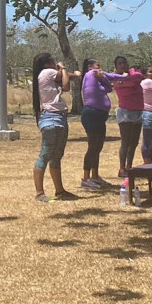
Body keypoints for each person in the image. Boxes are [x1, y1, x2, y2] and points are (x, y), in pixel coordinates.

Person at [31, 52, 80, 202]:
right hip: (52, 118)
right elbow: (66, 86)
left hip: (57, 117)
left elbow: (65, 78)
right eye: (53, 61)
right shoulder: (48, 72)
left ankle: (60, 191)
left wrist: (72, 74)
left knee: (56, 156)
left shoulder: (46, 75)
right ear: (47, 64)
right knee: (45, 155)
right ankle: (39, 193)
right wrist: (63, 67)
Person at [80, 59, 115, 190]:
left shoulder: (98, 80)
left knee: (98, 147)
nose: (100, 68)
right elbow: (112, 78)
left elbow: (109, 88)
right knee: (92, 147)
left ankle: (95, 175)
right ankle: (85, 179)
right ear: (90, 67)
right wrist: (124, 76)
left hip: (100, 116)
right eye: (97, 66)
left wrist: (103, 78)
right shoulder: (90, 75)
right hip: (92, 115)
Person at [108, 56, 144, 177]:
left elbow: (138, 77)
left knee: (134, 142)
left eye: (124, 63)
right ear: (116, 66)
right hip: (126, 113)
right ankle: (122, 169)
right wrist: (128, 79)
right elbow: (130, 83)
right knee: (126, 142)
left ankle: (129, 167)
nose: (122, 65)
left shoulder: (133, 75)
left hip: (138, 111)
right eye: (119, 63)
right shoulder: (115, 79)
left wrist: (130, 73)